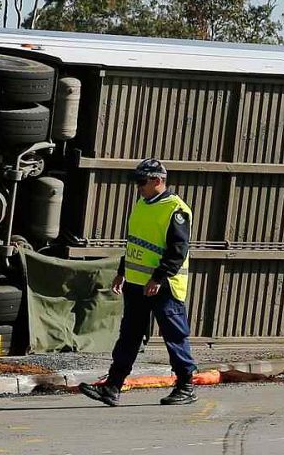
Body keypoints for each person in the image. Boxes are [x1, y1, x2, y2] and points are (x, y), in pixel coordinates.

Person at [80, 158, 199, 407]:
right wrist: (122, 271)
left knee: (174, 335)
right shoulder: (142, 204)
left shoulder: (175, 209)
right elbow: (135, 243)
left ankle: (186, 385)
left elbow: (177, 251)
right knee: (129, 336)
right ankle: (112, 387)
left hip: (164, 285)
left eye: (142, 182)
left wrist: (158, 277)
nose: (138, 187)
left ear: (158, 181)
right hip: (136, 283)